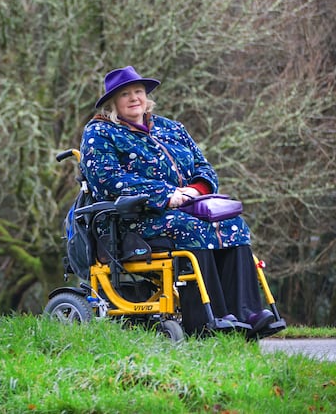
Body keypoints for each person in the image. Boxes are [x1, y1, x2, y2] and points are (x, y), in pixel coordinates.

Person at [79, 65, 277, 336]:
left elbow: (204, 169)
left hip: (189, 207)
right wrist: (165, 195)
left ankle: (248, 314)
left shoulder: (171, 128)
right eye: (125, 94)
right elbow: (107, 180)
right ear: (113, 103)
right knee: (192, 229)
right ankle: (210, 320)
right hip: (133, 219)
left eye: (139, 91)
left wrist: (195, 190)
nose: (135, 98)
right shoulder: (100, 132)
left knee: (234, 225)